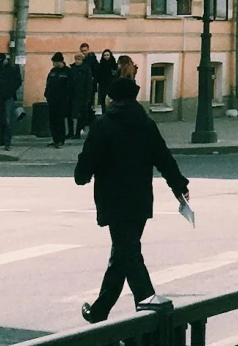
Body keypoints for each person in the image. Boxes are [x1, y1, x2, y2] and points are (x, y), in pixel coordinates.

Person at [75, 77, 190, 320]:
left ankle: (151, 312)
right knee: (123, 254)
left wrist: (82, 176)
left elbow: (87, 162)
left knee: (129, 255)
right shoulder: (146, 124)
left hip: (113, 201)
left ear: (112, 98)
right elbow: (164, 158)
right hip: (139, 202)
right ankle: (99, 311)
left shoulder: (103, 124)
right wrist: (179, 187)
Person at [0, 51, 22, 149]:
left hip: (7, 97)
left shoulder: (12, 69)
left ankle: (7, 143)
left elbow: (18, 81)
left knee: (7, 121)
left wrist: (10, 90)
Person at [45, 52, 74, 147]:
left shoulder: (67, 72)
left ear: (59, 62)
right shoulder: (53, 71)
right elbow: (48, 83)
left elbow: (70, 87)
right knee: (52, 120)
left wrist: (67, 98)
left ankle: (61, 140)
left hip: (62, 101)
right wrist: (47, 94)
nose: (53, 64)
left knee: (60, 120)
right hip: (52, 99)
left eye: (54, 62)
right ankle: (55, 139)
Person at [69, 46, 96, 137]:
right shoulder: (72, 69)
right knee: (71, 115)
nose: (77, 61)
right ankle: (71, 132)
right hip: (73, 95)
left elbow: (89, 84)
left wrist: (88, 97)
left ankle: (78, 132)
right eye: (76, 59)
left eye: (79, 59)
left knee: (81, 115)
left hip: (82, 95)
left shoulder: (86, 69)